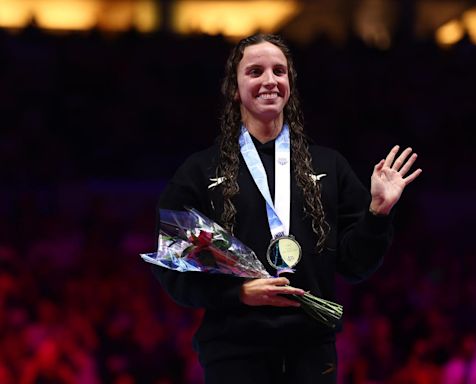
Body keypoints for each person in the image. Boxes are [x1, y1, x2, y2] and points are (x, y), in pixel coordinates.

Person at [152, 34, 421, 384]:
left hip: (311, 354)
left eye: (279, 71)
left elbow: (356, 265)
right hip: (234, 352)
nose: (269, 80)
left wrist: (377, 213)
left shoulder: (330, 166)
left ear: (289, 85)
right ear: (235, 88)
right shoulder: (201, 171)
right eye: (255, 71)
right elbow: (172, 269)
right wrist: (237, 294)